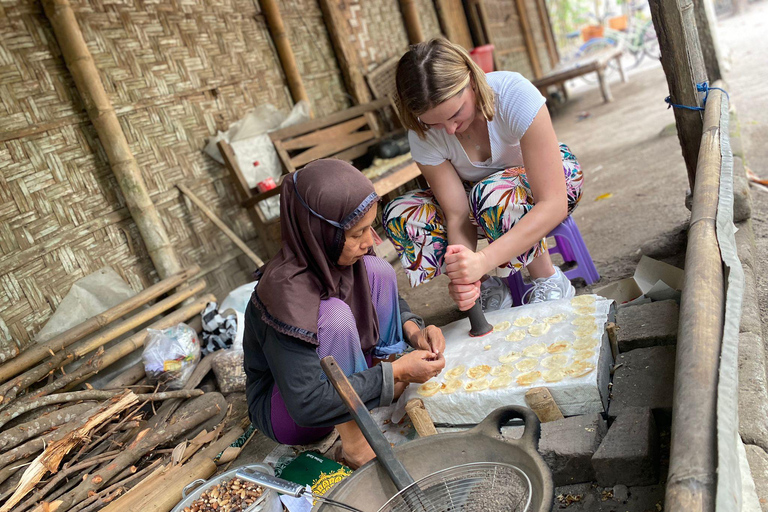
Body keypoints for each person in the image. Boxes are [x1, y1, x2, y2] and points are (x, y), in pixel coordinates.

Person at [243, 159, 446, 469]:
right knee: (334, 317)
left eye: (370, 227)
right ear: (321, 232)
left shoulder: (337, 253)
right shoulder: (283, 293)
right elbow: (308, 403)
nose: (370, 241)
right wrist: (398, 372)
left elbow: (378, 296)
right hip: (294, 410)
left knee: (377, 271)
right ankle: (355, 444)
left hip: (347, 378)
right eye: (357, 233)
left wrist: (413, 331)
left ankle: (385, 389)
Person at [383, 38, 584, 312]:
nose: (450, 130)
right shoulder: (422, 134)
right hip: (481, 203)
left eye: (455, 114)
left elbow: (553, 202)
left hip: (552, 182)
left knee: (492, 195)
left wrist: (484, 259)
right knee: (402, 213)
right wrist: (465, 271)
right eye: (434, 123)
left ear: (472, 80)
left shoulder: (513, 94)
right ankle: (488, 287)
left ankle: (548, 278)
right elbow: (456, 213)